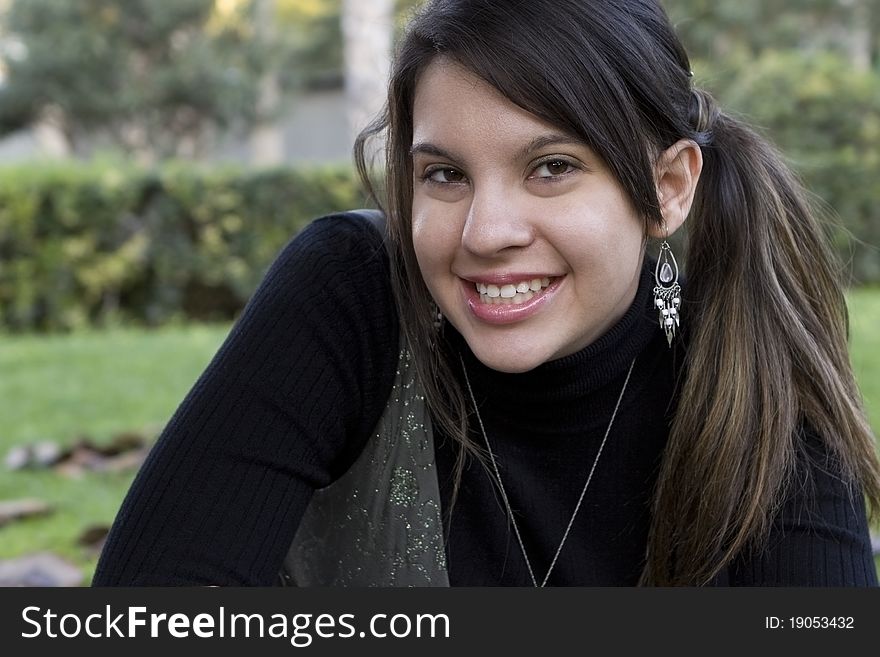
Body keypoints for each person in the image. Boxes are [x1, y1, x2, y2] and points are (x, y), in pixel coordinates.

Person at [92, 0, 880, 587]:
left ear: (667, 187)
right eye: (445, 174)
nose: (485, 231)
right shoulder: (354, 297)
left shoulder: (755, 383)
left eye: (552, 167)